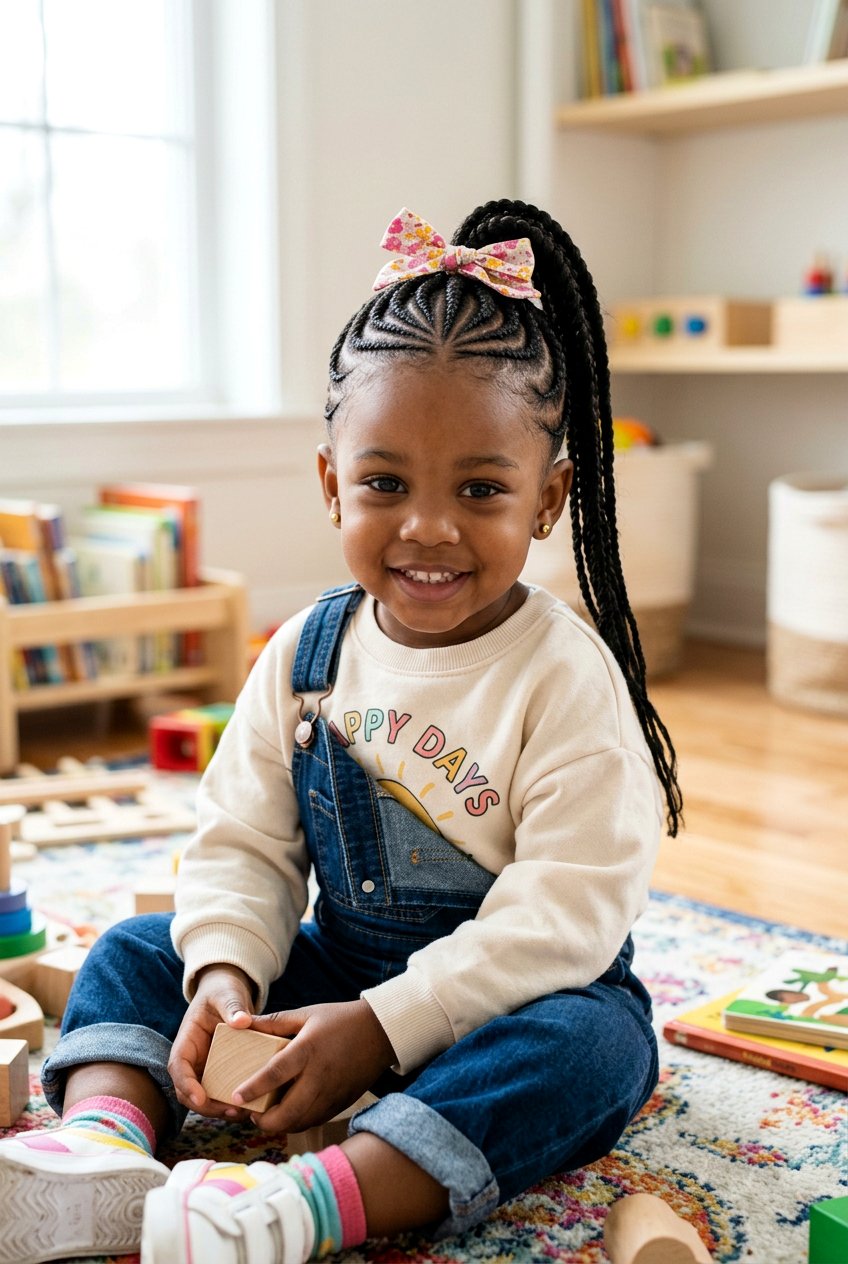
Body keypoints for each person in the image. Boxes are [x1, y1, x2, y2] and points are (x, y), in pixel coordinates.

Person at [0, 200, 683, 1264]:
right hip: (341, 979)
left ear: (546, 500)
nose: (426, 526)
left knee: (594, 1048)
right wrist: (226, 974)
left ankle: (305, 1205)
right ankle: (104, 1143)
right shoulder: (305, 652)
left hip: (508, 1002)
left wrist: (383, 1028)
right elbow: (244, 842)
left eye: (479, 488)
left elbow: (566, 916)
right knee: (146, 949)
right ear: (330, 482)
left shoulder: (563, 677)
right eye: (382, 483)